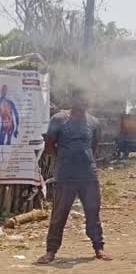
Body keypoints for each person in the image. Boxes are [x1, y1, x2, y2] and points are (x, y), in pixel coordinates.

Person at [38, 90, 109, 264]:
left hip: (88, 175)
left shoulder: (94, 122)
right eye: (80, 98)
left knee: (93, 212)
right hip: (66, 175)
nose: (84, 102)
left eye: (86, 99)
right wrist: (64, 159)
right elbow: (49, 146)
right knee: (59, 213)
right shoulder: (59, 119)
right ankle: (51, 251)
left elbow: (94, 146)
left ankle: (98, 248)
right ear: (73, 99)